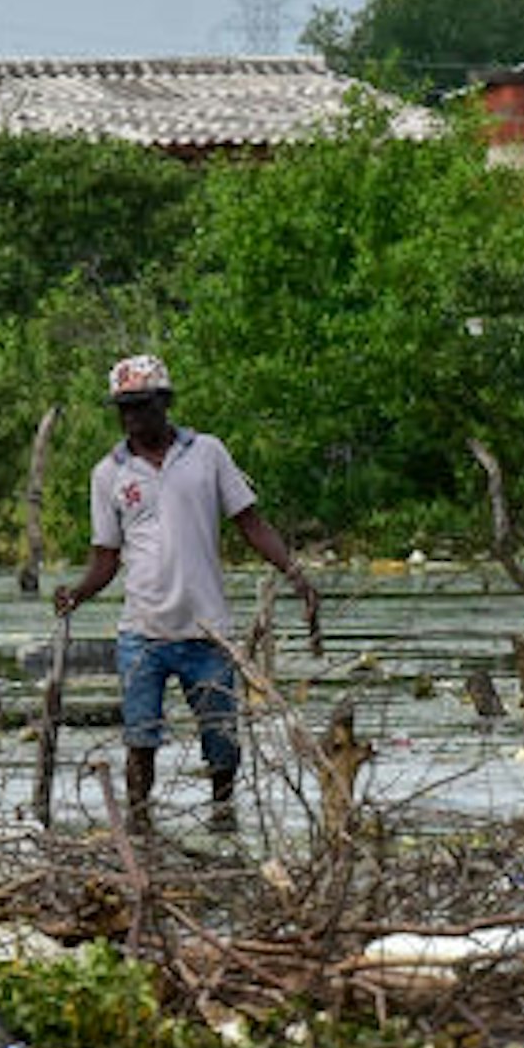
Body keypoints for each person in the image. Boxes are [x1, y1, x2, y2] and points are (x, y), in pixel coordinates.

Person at [48, 352, 317, 829]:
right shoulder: (108, 473)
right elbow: (106, 558)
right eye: (124, 409)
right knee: (141, 738)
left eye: (142, 406)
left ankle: (223, 817)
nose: (133, 418)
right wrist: (78, 594)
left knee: (221, 741)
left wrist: (296, 574)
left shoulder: (207, 453)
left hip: (206, 629)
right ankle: (139, 825)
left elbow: (250, 523)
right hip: (143, 630)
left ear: (165, 403)